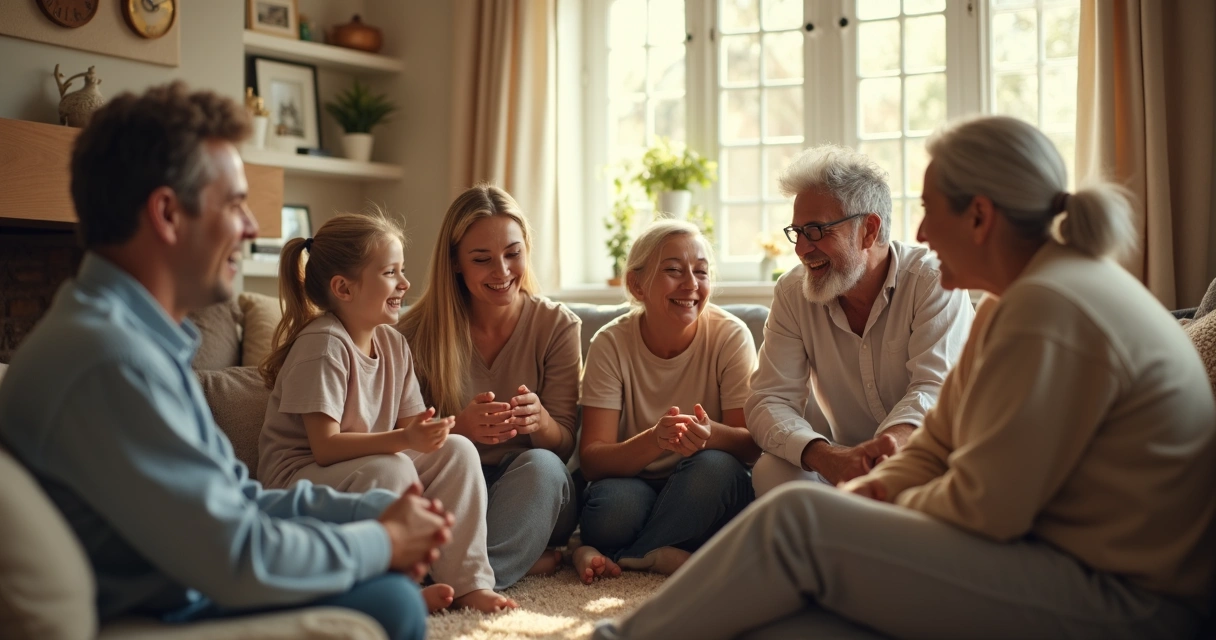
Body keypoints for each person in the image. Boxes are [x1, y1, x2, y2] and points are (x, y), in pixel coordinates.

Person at [593, 115, 1216, 640]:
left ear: (980, 216)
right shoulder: (1015, 302)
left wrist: (860, 508)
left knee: (800, 521)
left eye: (929, 211)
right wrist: (869, 491)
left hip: (1129, 600)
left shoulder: (1050, 309)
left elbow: (985, 506)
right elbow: (942, 442)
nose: (917, 232)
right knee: (789, 612)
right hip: (1062, 560)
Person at [0, 82, 450, 640]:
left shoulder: (132, 338)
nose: (252, 227)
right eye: (235, 203)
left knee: (387, 585)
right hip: (170, 598)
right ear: (167, 213)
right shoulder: (111, 362)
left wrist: (366, 513)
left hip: (187, 576)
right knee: (392, 603)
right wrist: (382, 541)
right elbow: (237, 556)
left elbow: (238, 498)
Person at [257, 212, 516, 613]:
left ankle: (467, 583)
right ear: (343, 288)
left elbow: (413, 428)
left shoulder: (393, 344)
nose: (405, 284)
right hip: (299, 483)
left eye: (403, 270)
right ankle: (397, 587)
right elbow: (324, 448)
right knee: (391, 469)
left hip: (359, 467)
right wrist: (405, 441)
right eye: (391, 273)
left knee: (458, 453)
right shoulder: (324, 345)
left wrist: (441, 429)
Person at [748, 144, 974, 496]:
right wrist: (826, 456)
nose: (802, 249)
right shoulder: (792, 291)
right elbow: (770, 399)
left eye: (816, 230)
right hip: (841, 462)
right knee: (771, 471)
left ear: (869, 230)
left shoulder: (934, 279)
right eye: (797, 232)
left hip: (928, 459)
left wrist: (882, 453)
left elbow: (935, 389)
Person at [397, 185, 581, 589]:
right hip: (454, 490)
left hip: (533, 496)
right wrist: (458, 427)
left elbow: (565, 446)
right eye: (482, 259)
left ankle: (471, 578)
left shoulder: (557, 326)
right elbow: (397, 442)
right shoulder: (412, 333)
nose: (502, 272)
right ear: (456, 263)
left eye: (513, 253)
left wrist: (541, 421)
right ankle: (493, 567)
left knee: (545, 466)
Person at [576, 220, 759, 583]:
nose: (691, 284)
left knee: (718, 471)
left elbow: (750, 446)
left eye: (701, 272)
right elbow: (593, 460)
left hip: (700, 482)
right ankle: (661, 549)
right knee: (612, 510)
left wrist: (709, 435)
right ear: (636, 284)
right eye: (674, 271)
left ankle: (611, 554)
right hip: (633, 482)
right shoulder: (610, 343)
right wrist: (654, 439)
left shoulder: (730, 336)